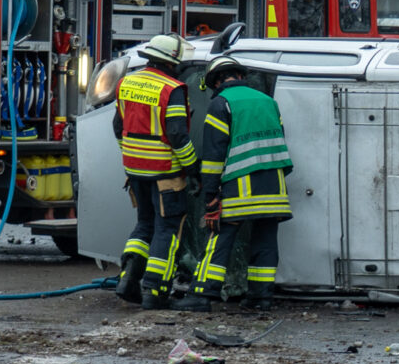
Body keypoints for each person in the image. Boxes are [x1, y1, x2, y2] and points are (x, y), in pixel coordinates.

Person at [191, 58, 291, 311]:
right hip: (274, 187)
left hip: (239, 187)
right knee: (266, 240)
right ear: (239, 75)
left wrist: (211, 195)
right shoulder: (269, 102)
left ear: (216, 80)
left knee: (219, 237)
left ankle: (203, 294)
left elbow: (214, 153)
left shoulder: (221, 103)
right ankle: (261, 297)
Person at [112, 34, 198, 308]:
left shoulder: (127, 82)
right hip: (166, 173)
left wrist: (132, 155)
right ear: (172, 61)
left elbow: (118, 127)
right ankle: (155, 291)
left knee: (144, 225)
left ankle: (127, 279)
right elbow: (177, 135)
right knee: (167, 229)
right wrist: (193, 167)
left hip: (135, 170)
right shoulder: (172, 89)